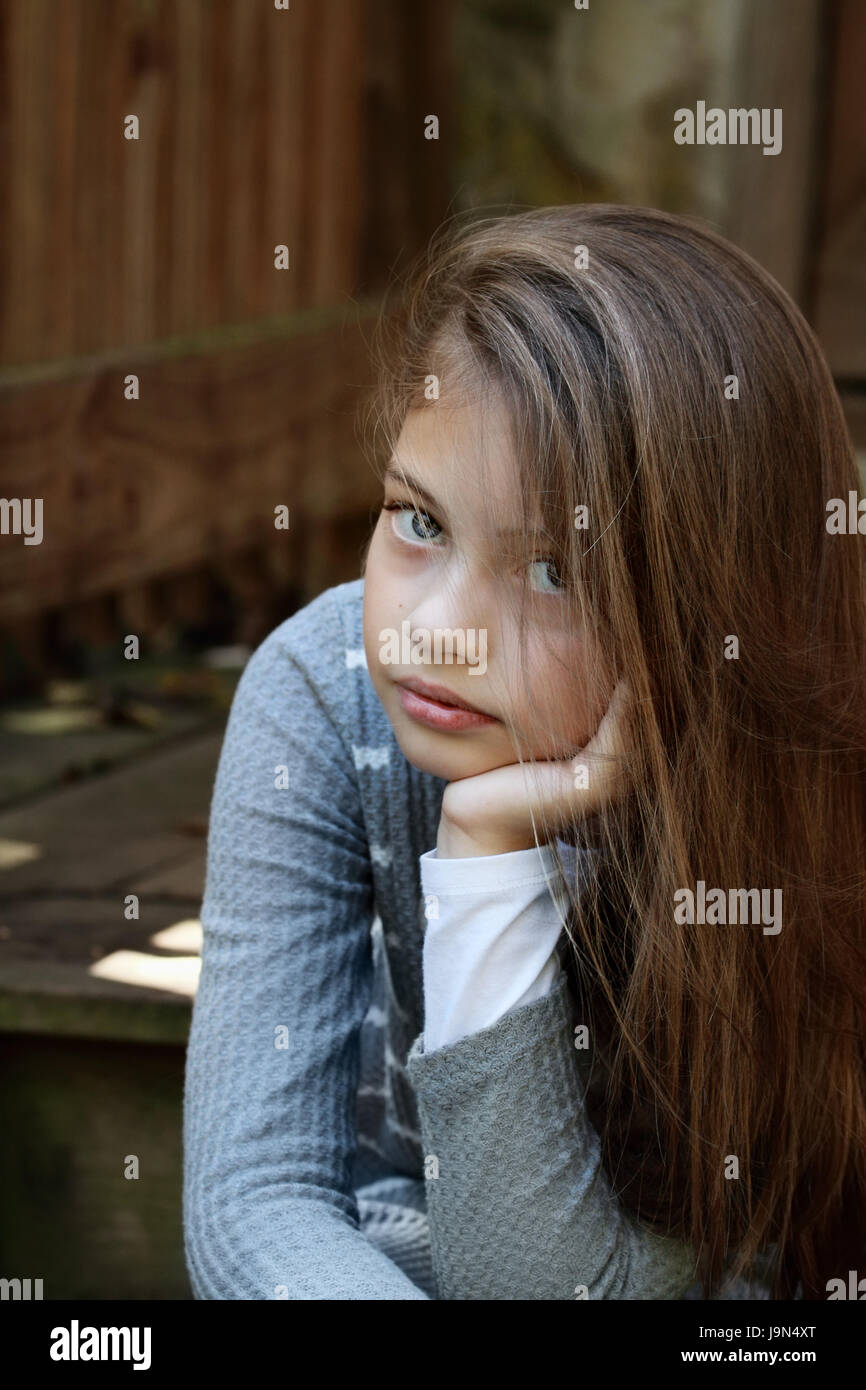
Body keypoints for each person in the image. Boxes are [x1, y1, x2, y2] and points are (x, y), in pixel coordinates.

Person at [183, 204, 866, 1300]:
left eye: (551, 570)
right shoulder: (322, 693)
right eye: (417, 520)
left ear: (709, 606)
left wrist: (488, 854)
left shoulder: (782, 819)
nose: (433, 630)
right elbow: (253, 1205)